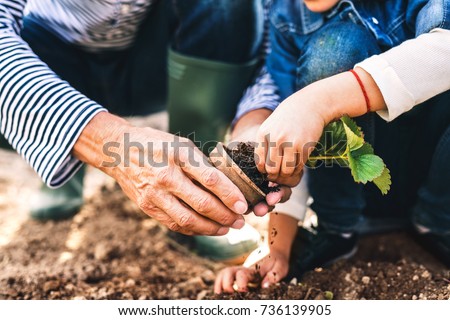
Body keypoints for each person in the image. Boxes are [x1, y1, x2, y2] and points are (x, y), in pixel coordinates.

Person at [0, 0, 290, 242]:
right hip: (50, 59)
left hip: (154, 62)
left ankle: (198, 188)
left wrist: (254, 118)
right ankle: (64, 162)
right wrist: (107, 141)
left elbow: (273, 25)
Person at [214, 0, 450, 293]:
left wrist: (319, 101)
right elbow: (288, 136)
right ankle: (336, 230)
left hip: (436, 179)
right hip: (353, 196)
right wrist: (277, 248)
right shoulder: (286, 17)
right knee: (335, 47)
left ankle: (437, 222)